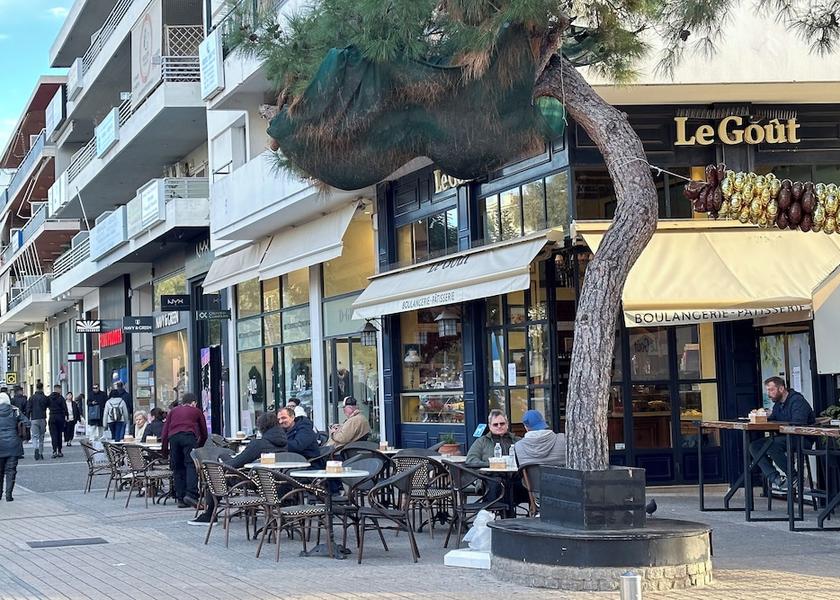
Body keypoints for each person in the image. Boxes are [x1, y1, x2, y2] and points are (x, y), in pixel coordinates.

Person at [749, 376, 815, 491]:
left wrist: (777, 423)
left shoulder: (797, 401)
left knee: (771, 445)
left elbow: (798, 424)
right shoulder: (778, 404)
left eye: (771, 390)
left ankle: (794, 477)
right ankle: (775, 478)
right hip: (785, 438)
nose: (769, 394)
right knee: (754, 446)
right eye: (767, 390)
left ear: (781, 388)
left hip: (802, 439)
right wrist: (763, 416)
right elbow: (774, 418)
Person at [161, 392, 207, 508]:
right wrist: (199, 446)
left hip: (174, 438)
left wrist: (165, 451)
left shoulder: (173, 411)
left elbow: (165, 431)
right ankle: (191, 495)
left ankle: (180, 497)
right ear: (194, 403)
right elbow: (203, 431)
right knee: (190, 465)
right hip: (188, 437)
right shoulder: (196, 411)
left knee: (177, 467)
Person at [0, 394, 29, 501]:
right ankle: (8, 495)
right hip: (13, 445)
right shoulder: (15, 410)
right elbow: (27, 422)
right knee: (11, 471)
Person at [24, 383, 49, 461]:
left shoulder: (31, 398)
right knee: (41, 437)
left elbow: (28, 409)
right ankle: (41, 453)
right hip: (42, 418)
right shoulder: (45, 397)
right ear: (42, 388)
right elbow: (48, 406)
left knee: (34, 436)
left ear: (36, 388)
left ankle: (36, 448)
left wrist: (27, 419)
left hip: (34, 419)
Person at [47, 385, 68, 459]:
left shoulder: (49, 397)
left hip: (52, 417)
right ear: (58, 389)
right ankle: (59, 450)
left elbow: (46, 405)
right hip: (60, 417)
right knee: (59, 434)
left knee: (53, 435)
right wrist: (66, 416)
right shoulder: (61, 398)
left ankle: (54, 451)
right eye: (60, 389)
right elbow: (65, 408)